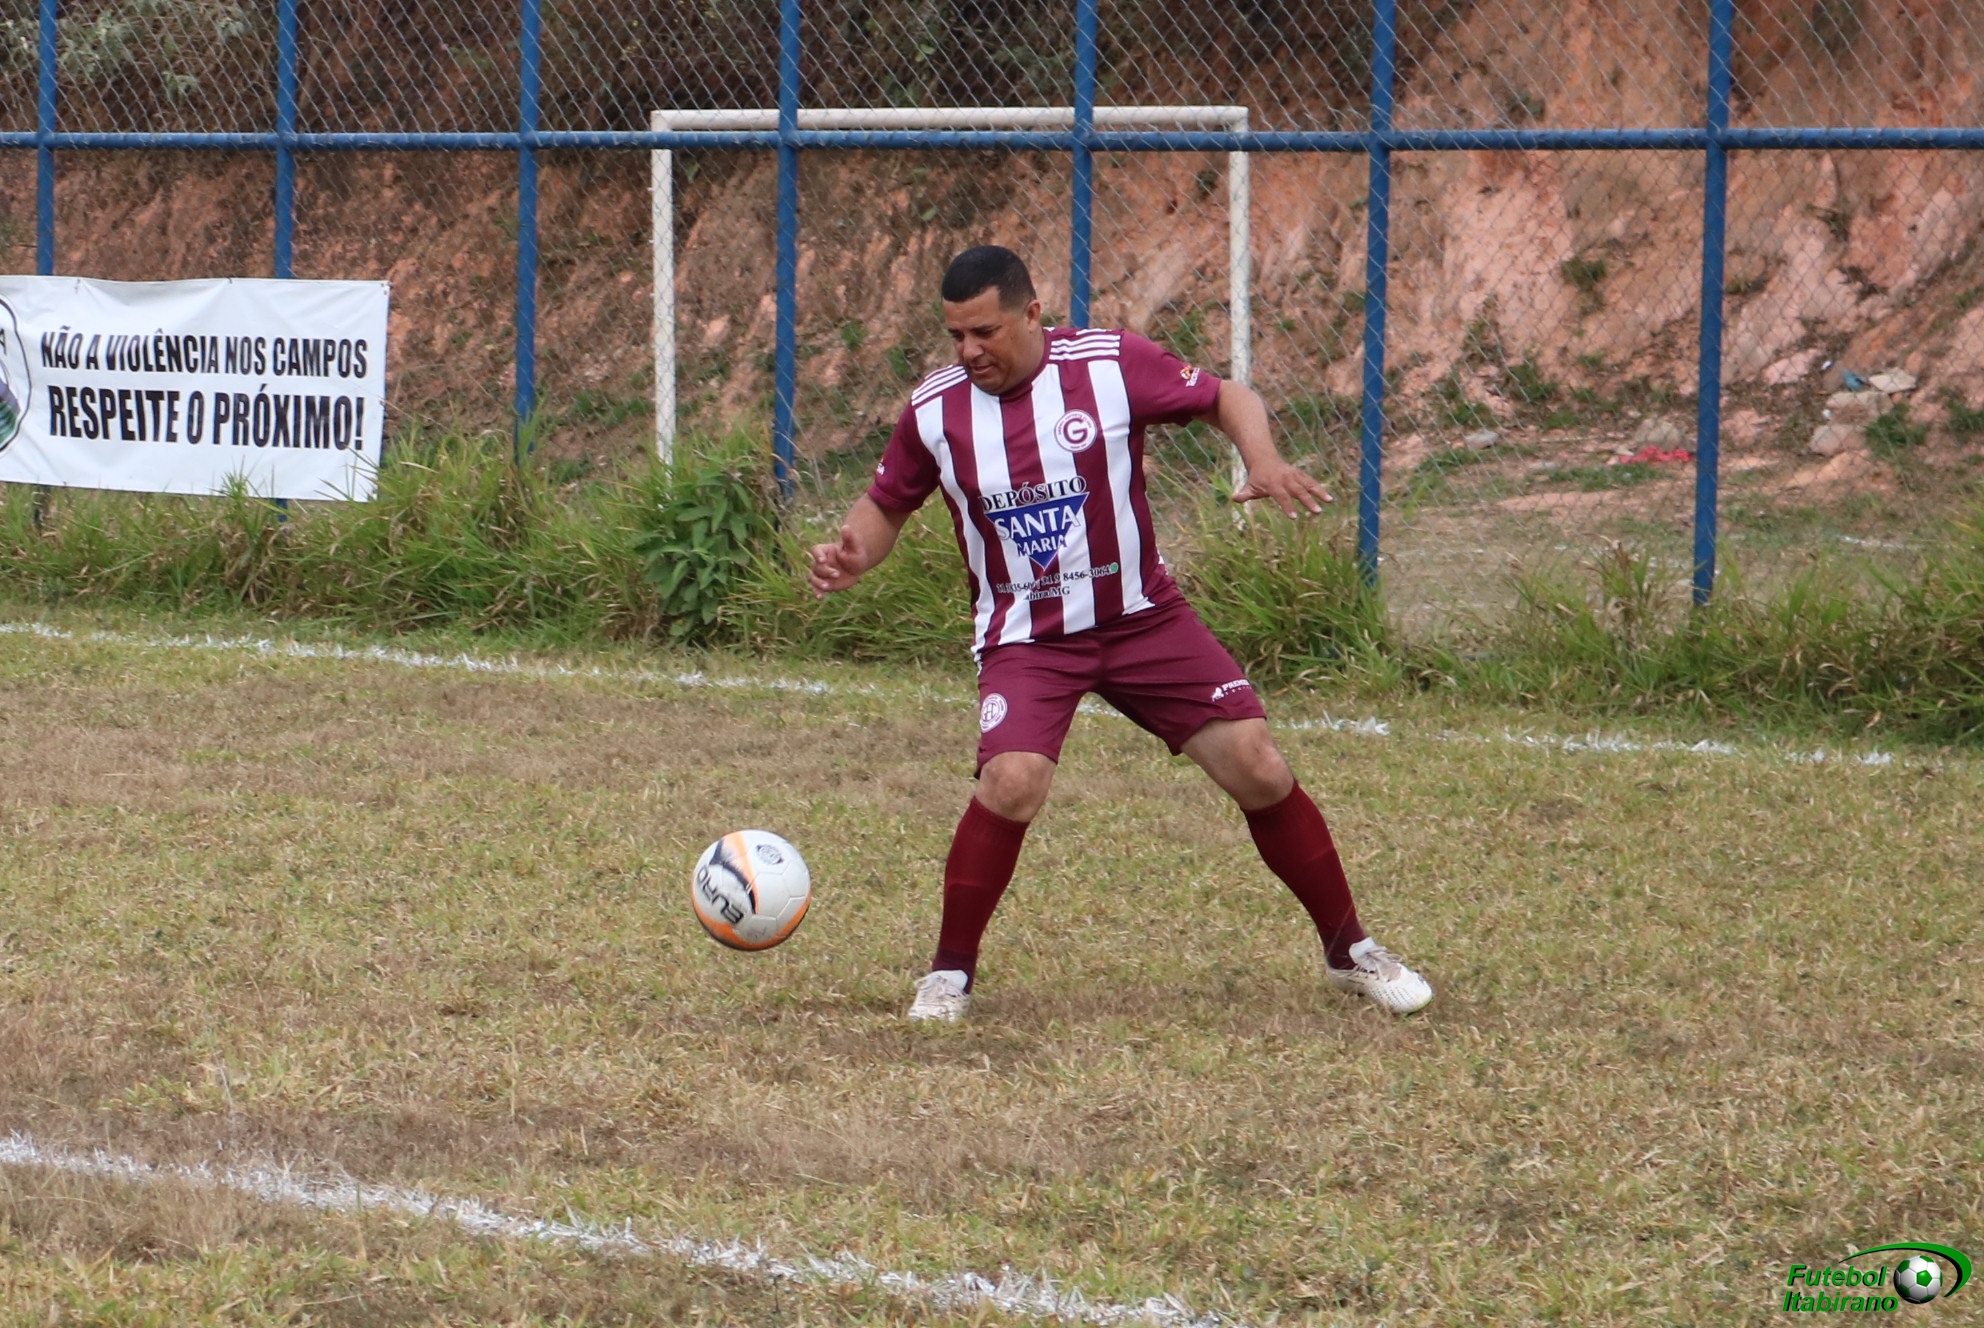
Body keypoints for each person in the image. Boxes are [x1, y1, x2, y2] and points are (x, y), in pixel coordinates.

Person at [808, 245, 1432, 1022]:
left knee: (1257, 764)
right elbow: (887, 503)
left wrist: (1264, 461)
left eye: (985, 332)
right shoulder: (935, 410)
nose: (968, 351)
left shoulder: (1107, 365)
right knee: (1012, 781)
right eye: (955, 336)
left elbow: (1227, 397)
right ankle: (948, 975)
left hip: (1142, 619)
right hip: (1029, 638)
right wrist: (854, 554)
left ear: (1032, 315)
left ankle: (1351, 952)